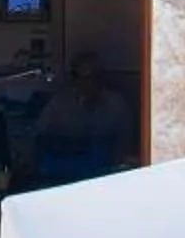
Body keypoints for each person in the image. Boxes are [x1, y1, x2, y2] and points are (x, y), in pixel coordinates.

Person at [33, 51, 127, 186]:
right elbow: (39, 136)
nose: (89, 82)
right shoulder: (59, 103)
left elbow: (124, 145)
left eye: (95, 76)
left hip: (104, 178)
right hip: (62, 177)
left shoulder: (116, 105)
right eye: (83, 77)